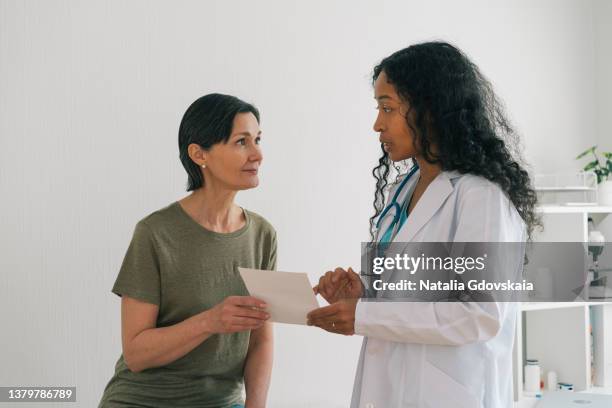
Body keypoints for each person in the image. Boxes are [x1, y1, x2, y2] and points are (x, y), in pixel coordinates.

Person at [307, 42, 539, 408]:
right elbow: (412, 292)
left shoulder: (481, 197)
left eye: (388, 108)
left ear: (429, 110)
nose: (377, 124)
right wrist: (363, 293)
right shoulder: (405, 189)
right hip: (390, 388)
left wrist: (366, 314)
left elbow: (479, 314)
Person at [98, 93, 276, 408]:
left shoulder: (262, 235)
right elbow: (136, 354)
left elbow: (261, 339)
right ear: (199, 154)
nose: (258, 154)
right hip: (144, 400)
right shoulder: (155, 234)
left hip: (221, 402)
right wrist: (210, 321)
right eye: (241, 142)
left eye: (258, 139)